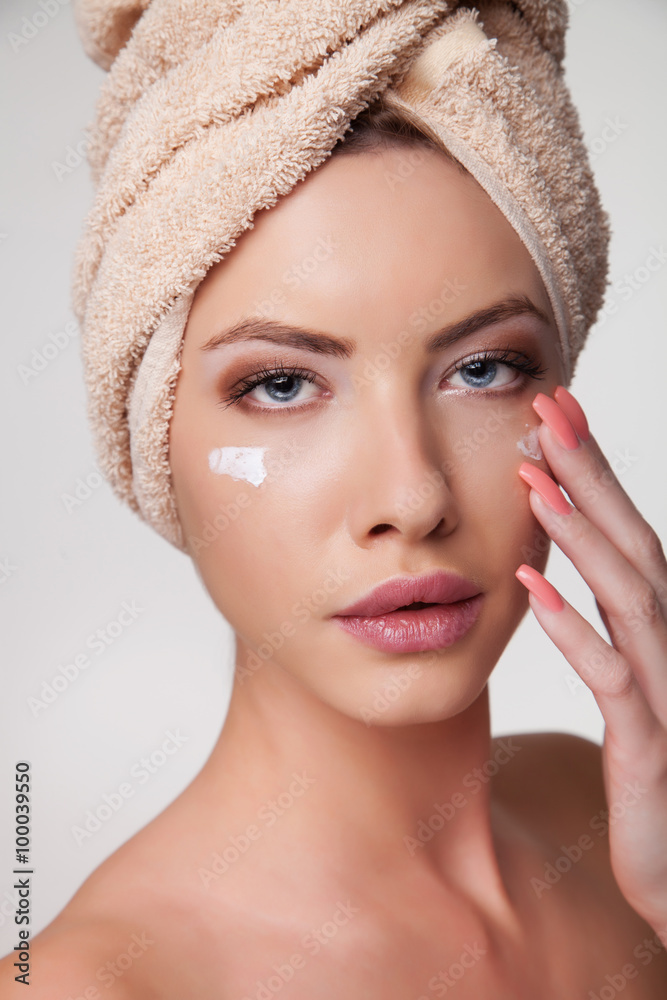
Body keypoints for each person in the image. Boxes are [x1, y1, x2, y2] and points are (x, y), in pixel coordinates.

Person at [3, 1, 667, 997]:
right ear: (151, 441)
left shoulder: (606, 814)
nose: (412, 497)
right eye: (280, 384)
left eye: (482, 368)